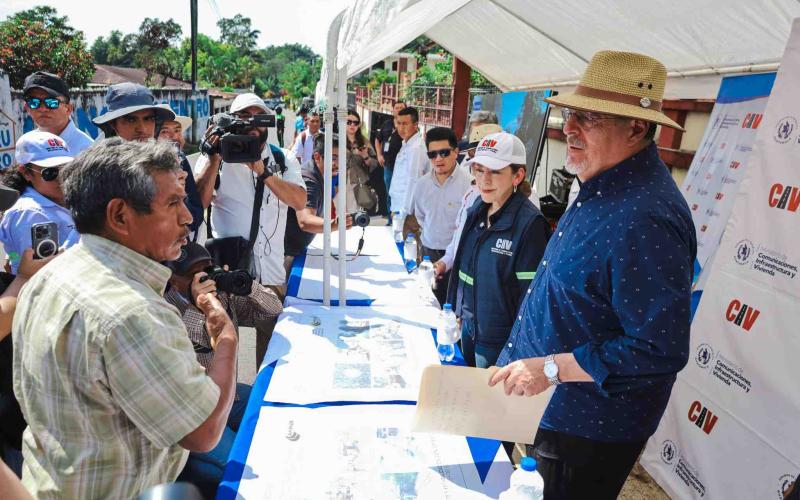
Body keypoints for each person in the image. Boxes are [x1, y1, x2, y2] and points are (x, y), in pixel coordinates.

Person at [488, 51, 696, 500]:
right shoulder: (601, 184)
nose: (569, 128)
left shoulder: (646, 215)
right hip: (555, 412)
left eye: (589, 117)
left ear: (637, 127)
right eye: (569, 114)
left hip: (587, 431)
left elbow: (658, 349)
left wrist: (549, 368)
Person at [12, 138, 239, 498]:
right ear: (120, 216)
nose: (189, 217)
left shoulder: (46, 277)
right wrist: (226, 337)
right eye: (173, 203)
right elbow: (204, 431)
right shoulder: (132, 313)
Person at [194, 93, 306, 367]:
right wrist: (214, 158)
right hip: (227, 272)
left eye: (257, 117)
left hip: (271, 274)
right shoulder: (214, 158)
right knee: (222, 351)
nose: (251, 125)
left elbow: (300, 201)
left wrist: (262, 170)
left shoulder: (283, 158)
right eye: (243, 118)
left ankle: (263, 406)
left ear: (267, 123)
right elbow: (197, 204)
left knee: (273, 357)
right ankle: (227, 405)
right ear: (231, 121)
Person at [164, 242, 282, 497]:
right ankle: (198, 475)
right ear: (174, 281)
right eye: (196, 276)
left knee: (269, 408)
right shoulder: (166, 310)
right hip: (195, 418)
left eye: (208, 271)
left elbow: (274, 310)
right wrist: (204, 306)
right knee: (241, 464)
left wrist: (246, 286)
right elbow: (206, 340)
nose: (206, 280)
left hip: (226, 397)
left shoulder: (222, 298)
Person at [446, 132, 550, 368]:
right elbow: (463, 266)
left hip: (499, 344)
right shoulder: (477, 209)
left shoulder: (530, 224)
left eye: (495, 171)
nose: (484, 180)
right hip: (468, 330)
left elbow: (532, 298)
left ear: (518, 175)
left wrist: (519, 350)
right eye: (479, 170)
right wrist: (454, 308)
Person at [409, 127, 471, 306]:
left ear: (456, 151)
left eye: (444, 153)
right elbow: (420, 217)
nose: (438, 159)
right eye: (432, 154)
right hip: (428, 253)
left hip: (458, 257)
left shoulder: (469, 184)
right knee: (427, 304)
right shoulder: (421, 185)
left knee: (452, 308)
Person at [434, 124, 502, 285]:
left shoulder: (517, 199)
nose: (475, 168)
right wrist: (445, 262)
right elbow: (459, 236)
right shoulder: (471, 192)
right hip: (461, 280)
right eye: (473, 162)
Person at [0, 131, 78, 273]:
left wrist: (13, 257)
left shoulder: (60, 197)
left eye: (68, 170)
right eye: (50, 173)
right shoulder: (29, 214)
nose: (62, 178)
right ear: (26, 172)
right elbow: (43, 272)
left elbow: (13, 250)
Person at [284, 133, 354, 271]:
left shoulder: (321, 173)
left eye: (342, 158)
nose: (338, 164)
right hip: (289, 258)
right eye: (333, 158)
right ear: (317, 157)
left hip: (298, 253)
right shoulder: (309, 181)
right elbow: (304, 221)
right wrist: (335, 224)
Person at [22, 71, 93, 154]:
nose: (42, 108)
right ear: (27, 108)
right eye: (34, 102)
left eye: (51, 102)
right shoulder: (26, 145)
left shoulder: (88, 150)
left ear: (68, 109)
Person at [158, 113, 204, 233]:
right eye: (164, 131)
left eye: (177, 130)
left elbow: (196, 214)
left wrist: (181, 193)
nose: (173, 137)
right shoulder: (144, 169)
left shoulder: (181, 160)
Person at [92, 82, 176, 142]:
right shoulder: (99, 164)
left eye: (148, 119)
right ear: (113, 124)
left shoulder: (166, 160)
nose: (142, 129)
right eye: (131, 120)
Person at [389, 107, 429, 223]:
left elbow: (414, 180)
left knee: (406, 240)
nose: (401, 128)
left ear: (415, 125)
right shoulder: (408, 143)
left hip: (406, 209)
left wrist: (404, 212)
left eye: (405, 124)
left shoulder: (416, 148)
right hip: (398, 204)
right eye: (399, 123)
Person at [375, 101, 406, 218]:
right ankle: (390, 216)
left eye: (402, 108)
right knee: (390, 192)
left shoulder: (407, 125)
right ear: (393, 110)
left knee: (401, 191)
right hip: (388, 165)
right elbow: (378, 140)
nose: (399, 110)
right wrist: (379, 155)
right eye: (397, 108)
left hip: (403, 166)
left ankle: (400, 215)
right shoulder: (387, 124)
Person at [345, 109, 380, 214]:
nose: (352, 125)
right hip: (339, 183)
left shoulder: (364, 142)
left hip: (358, 183)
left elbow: (374, 164)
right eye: (349, 122)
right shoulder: (337, 140)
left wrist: (365, 156)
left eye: (355, 123)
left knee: (356, 216)